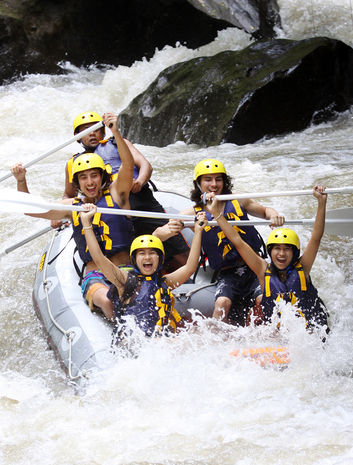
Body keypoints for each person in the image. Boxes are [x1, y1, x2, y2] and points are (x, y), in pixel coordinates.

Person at [11, 113, 134, 320]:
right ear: (77, 183)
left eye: (94, 175)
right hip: (95, 276)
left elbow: (128, 166)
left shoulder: (118, 195)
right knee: (108, 301)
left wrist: (115, 131)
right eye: (83, 177)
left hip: (125, 269)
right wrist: (21, 181)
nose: (90, 182)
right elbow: (31, 208)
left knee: (132, 298)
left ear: (102, 177)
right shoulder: (72, 207)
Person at [154, 159, 284, 325]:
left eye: (218, 179)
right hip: (227, 272)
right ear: (199, 184)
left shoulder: (239, 200)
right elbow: (158, 235)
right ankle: (215, 341)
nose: (214, 184)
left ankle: (264, 334)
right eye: (208, 179)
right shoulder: (192, 213)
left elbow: (266, 211)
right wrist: (171, 228)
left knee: (262, 299)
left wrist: (274, 215)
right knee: (222, 303)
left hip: (255, 267)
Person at [56, 111, 190, 270]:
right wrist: (59, 214)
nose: (91, 133)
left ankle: (193, 274)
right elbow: (69, 195)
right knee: (130, 253)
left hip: (141, 202)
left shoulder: (118, 143)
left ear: (102, 130)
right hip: (112, 212)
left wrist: (139, 182)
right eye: (85, 130)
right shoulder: (74, 163)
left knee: (179, 249)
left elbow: (146, 165)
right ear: (78, 136)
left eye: (95, 128)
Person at [204, 185, 329, 332]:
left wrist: (322, 202)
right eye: (277, 248)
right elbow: (237, 241)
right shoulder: (263, 270)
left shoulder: (304, 267)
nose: (281, 254)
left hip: (309, 333)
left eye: (287, 249)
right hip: (278, 335)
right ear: (270, 251)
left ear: (294, 252)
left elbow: (316, 237)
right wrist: (216, 214)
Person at [79, 203, 207, 337]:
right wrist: (86, 222)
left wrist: (198, 231)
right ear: (134, 259)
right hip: (133, 344)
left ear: (159, 258)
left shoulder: (165, 283)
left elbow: (190, 267)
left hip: (157, 343)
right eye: (142, 253)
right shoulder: (124, 281)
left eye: (152, 252)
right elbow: (99, 258)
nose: (147, 257)